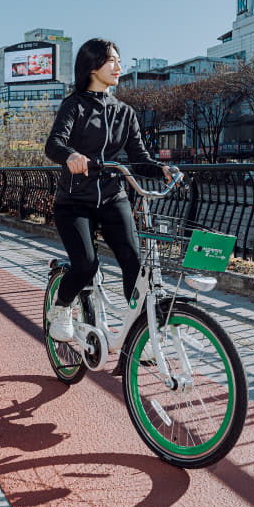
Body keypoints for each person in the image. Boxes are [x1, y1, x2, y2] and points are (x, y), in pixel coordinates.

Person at [44, 38, 171, 341]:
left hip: (113, 197)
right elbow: (54, 144)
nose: (118, 67)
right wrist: (71, 156)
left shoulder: (124, 113)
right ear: (92, 65)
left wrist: (162, 170)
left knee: (135, 265)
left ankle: (143, 336)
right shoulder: (73, 105)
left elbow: (139, 159)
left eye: (118, 60)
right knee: (86, 265)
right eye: (111, 61)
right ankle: (61, 307)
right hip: (74, 203)